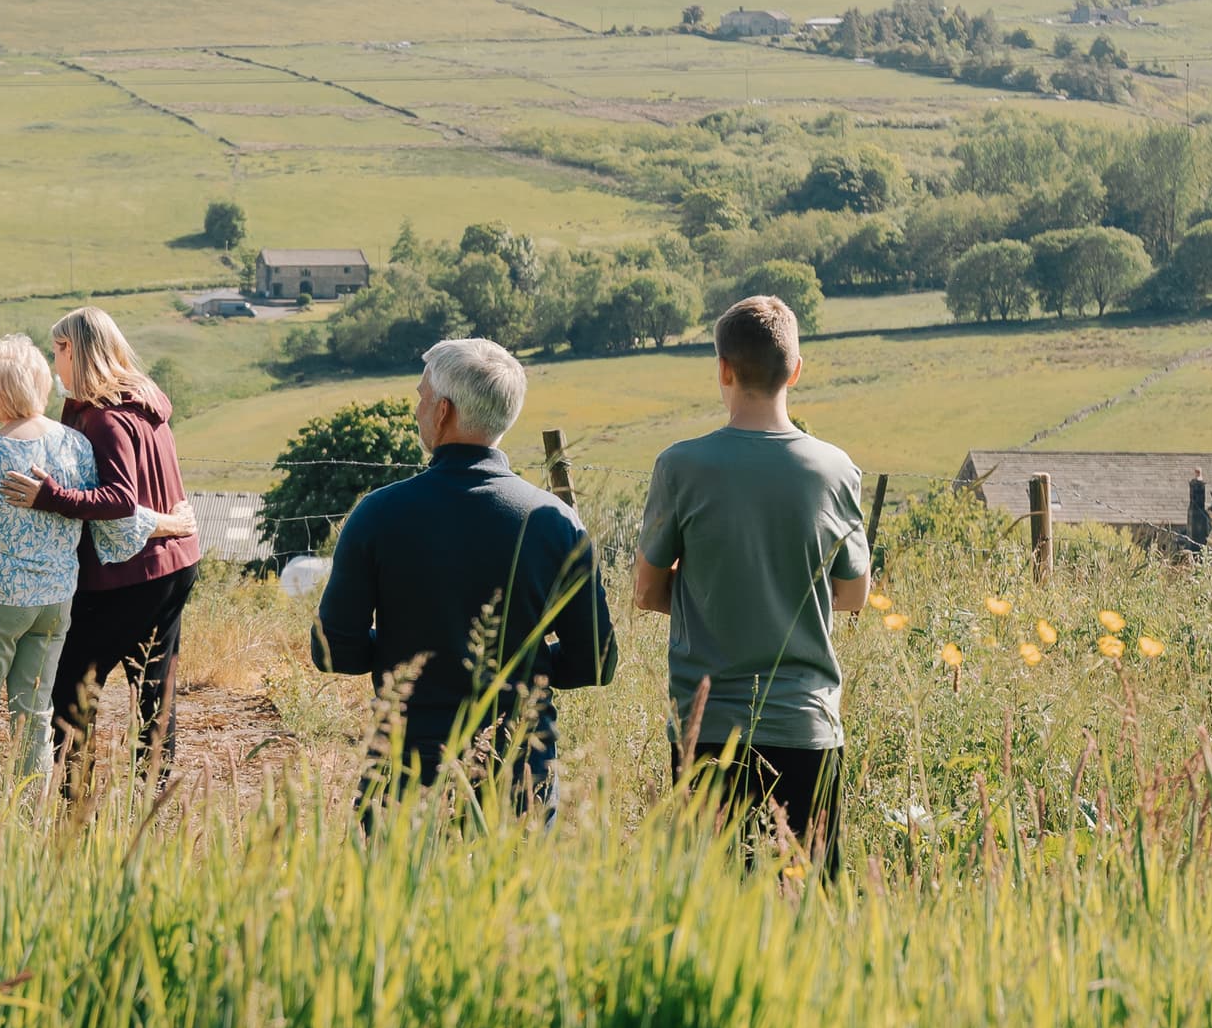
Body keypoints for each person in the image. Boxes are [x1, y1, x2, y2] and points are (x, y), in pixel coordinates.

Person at [307, 337, 616, 810]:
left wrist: (398, 654)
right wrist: (526, 664)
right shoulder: (555, 522)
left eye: (421, 397)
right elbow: (596, 661)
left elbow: (335, 652)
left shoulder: (378, 514)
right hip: (518, 766)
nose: (417, 409)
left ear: (444, 411)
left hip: (406, 770)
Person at [634, 294, 871, 876]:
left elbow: (644, 591)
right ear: (795, 370)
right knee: (809, 895)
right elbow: (855, 595)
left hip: (706, 726)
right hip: (807, 723)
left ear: (723, 368)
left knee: (715, 899)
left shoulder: (680, 466)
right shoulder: (836, 468)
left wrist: (704, 600)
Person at [0, 334, 149, 772]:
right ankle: (28, 826)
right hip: (55, 603)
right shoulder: (74, 444)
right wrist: (164, 523)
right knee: (34, 720)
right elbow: (109, 514)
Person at [0, 307, 203, 796]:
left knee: (71, 685)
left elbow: (118, 500)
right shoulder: (144, 403)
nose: (53, 363)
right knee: (154, 689)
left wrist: (47, 497)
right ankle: (145, 800)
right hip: (173, 563)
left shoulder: (106, 419)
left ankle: (75, 802)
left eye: (57, 350)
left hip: (126, 576)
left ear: (75, 350)